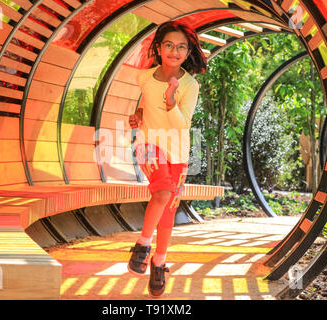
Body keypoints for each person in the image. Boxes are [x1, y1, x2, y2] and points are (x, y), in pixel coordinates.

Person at [127, 21, 207, 298]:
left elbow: (183, 124)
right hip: (149, 145)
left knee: (168, 211)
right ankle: (142, 245)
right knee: (161, 192)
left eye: (181, 47)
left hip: (178, 153)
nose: (175, 51)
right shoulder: (144, 77)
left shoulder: (190, 84)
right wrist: (138, 115)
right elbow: (146, 103)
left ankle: (158, 263)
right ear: (159, 48)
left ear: (188, 52)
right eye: (169, 45)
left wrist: (172, 102)